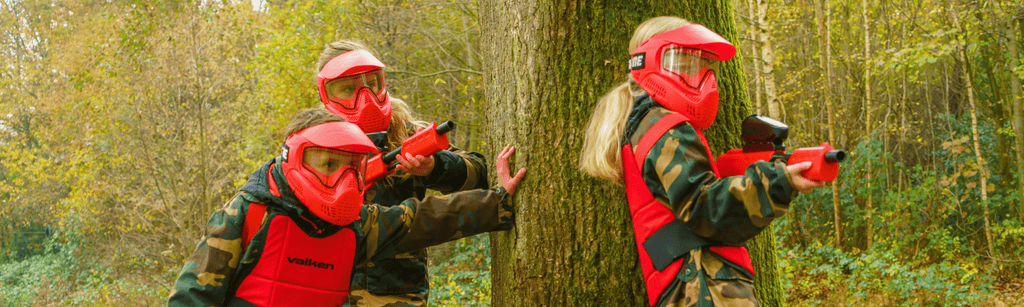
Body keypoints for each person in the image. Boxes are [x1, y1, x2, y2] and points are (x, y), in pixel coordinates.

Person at [578, 16, 825, 307]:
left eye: (707, 68)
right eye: (686, 66)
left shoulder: (644, 125)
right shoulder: (665, 128)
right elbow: (704, 207)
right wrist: (780, 182)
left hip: (689, 285)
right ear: (650, 63)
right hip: (704, 285)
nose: (704, 80)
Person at [168, 108, 526, 306]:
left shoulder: (354, 225)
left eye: (350, 168)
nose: (340, 181)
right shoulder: (249, 213)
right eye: (326, 165)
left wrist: (500, 201)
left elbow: (422, 220)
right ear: (295, 160)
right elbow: (192, 298)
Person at [313, 40, 489, 304]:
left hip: (397, 296)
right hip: (326, 291)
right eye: (348, 89)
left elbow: (480, 173)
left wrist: (434, 167)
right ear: (327, 95)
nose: (365, 97)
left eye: (371, 84)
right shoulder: (311, 146)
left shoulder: (407, 135)